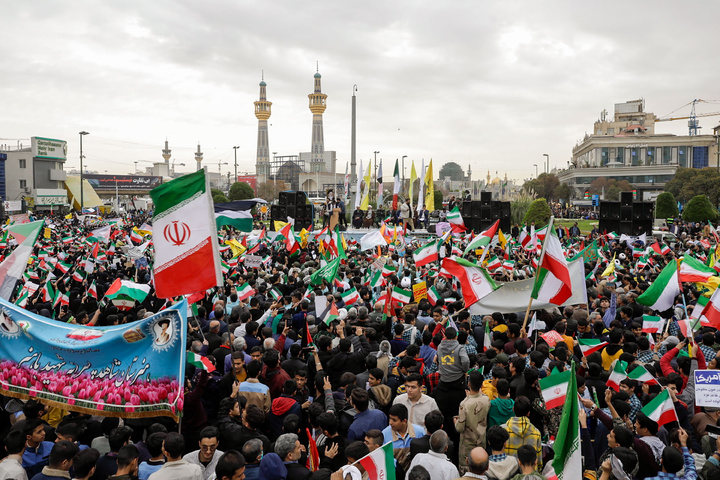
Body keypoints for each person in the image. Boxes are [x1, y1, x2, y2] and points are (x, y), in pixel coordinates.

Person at [454, 371, 490, 474]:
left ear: (469, 384)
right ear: (482, 384)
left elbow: (459, 428)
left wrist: (455, 421)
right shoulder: (486, 399)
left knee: (466, 471)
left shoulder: (464, 404)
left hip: (467, 446)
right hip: (481, 443)